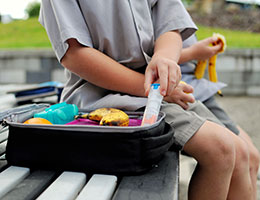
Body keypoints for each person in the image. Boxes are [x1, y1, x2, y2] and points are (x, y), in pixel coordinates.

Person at [39, 1, 254, 199]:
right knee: (220, 149)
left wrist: (164, 59)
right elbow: (74, 55)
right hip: (103, 98)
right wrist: (150, 87)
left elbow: (170, 27)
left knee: (242, 153)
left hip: (158, 89)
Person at [179, 34, 260, 199]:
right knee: (233, 153)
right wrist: (193, 53)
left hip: (195, 88)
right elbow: (145, 57)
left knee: (251, 156)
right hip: (177, 89)